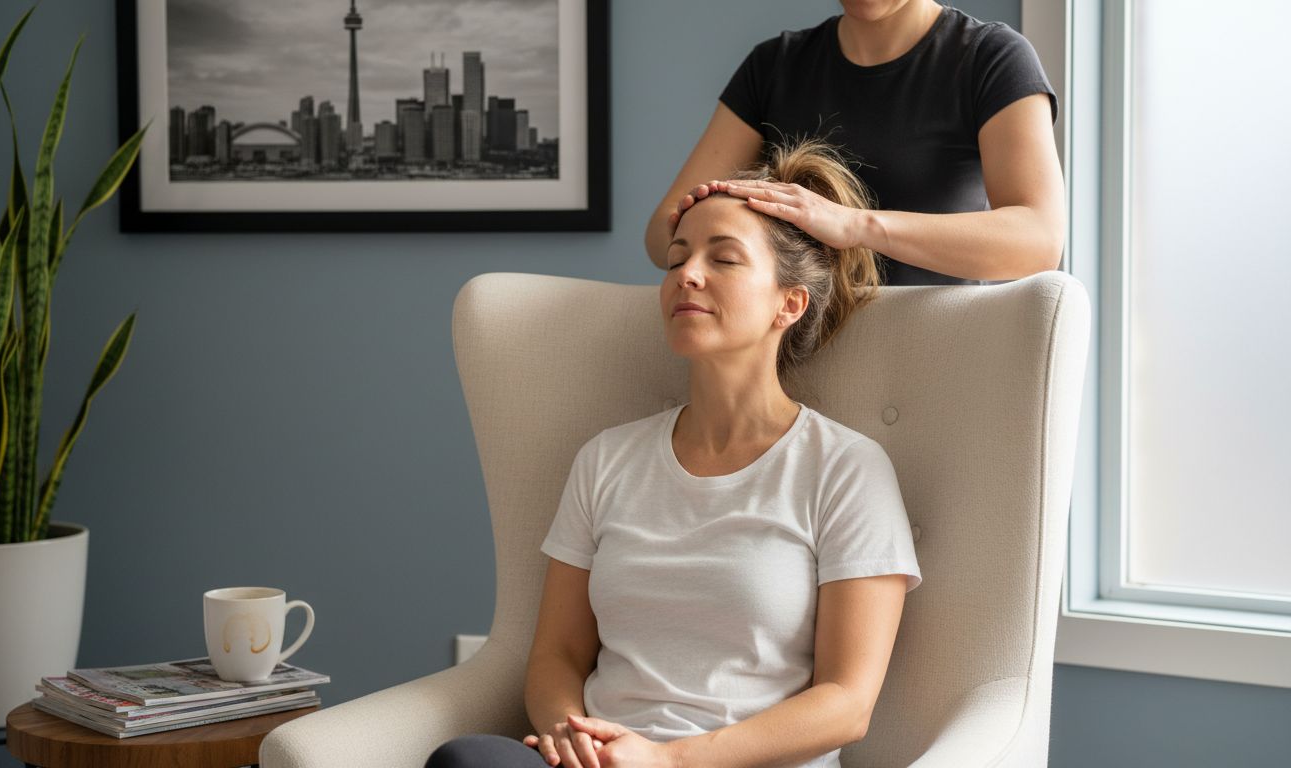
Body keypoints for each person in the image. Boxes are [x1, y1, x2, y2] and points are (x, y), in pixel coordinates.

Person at [425, 137, 922, 768]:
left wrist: (670, 760)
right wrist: (575, 739)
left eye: (725, 259)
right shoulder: (607, 460)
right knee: (468, 760)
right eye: (677, 257)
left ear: (789, 303)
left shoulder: (846, 470)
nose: (686, 273)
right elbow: (556, 658)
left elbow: (847, 704)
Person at [645, 0, 1064, 286]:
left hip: (936, 351)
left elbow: (1039, 240)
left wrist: (854, 226)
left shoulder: (992, 58)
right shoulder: (773, 67)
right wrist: (720, 235)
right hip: (797, 356)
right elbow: (661, 234)